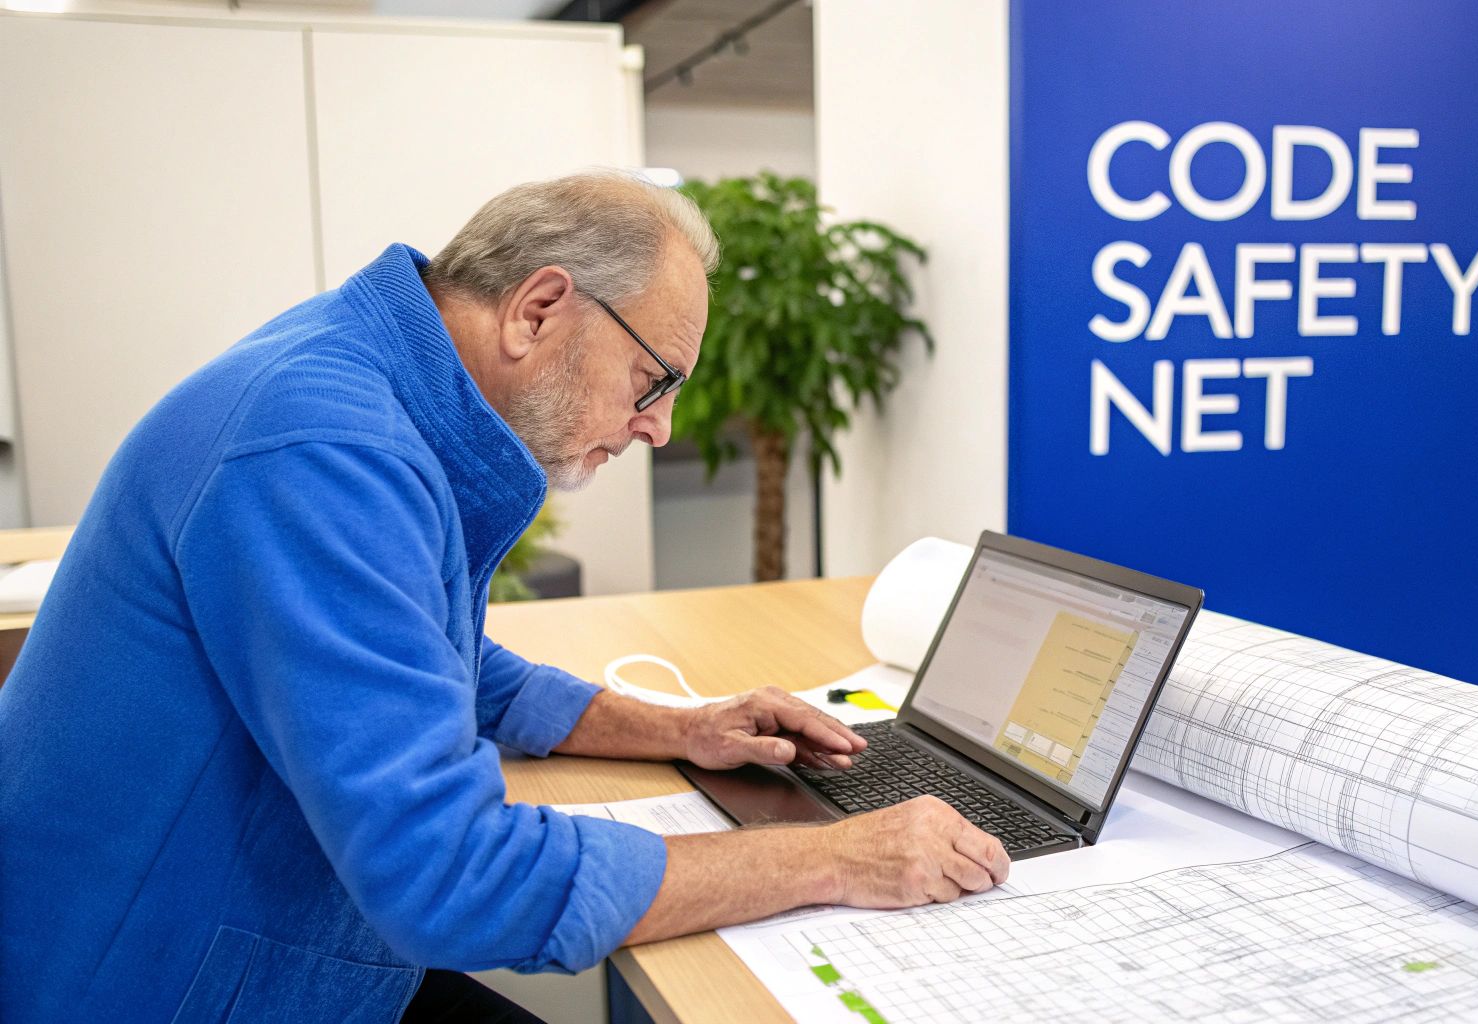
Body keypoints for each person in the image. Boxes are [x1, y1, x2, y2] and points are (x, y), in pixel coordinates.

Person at [0, 172, 1009, 1024]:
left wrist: (684, 726)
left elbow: (433, 658)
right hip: (150, 982)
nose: (658, 427)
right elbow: (450, 873)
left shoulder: (362, 379)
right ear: (537, 309)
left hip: (238, 932)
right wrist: (833, 857)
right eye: (652, 379)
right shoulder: (326, 450)